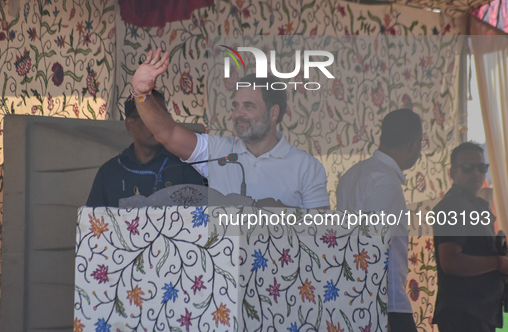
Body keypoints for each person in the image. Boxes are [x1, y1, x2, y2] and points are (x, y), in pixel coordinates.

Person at [129, 48, 329, 208]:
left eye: (248, 106)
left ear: (273, 113)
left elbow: (319, 234)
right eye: (236, 106)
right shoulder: (219, 151)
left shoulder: (307, 167)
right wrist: (140, 93)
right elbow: (168, 134)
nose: (237, 113)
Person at [336, 109, 423, 332]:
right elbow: (375, 245)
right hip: (385, 303)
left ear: (381, 138)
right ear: (415, 145)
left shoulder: (352, 175)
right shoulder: (385, 181)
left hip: (356, 297)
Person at [432, 142, 508, 332]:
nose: (476, 173)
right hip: (464, 317)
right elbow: (450, 261)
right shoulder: (453, 206)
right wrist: (498, 262)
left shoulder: (476, 206)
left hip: (479, 314)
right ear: (452, 174)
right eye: (467, 168)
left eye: (481, 167)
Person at [86, 90, 205, 207]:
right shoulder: (110, 172)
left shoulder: (183, 167)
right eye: (151, 118)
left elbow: (200, 218)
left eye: (163, 118)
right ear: (130, 125)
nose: (159, 125)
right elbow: (93, 222)